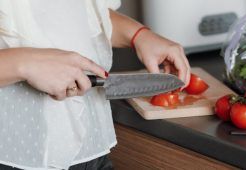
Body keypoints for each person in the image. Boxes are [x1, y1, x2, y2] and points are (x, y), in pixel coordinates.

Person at [0, 0, 191, 169]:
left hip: (92, 150)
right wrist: (24, 63)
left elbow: (76, 14)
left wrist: (138, 35)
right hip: (15, 156)